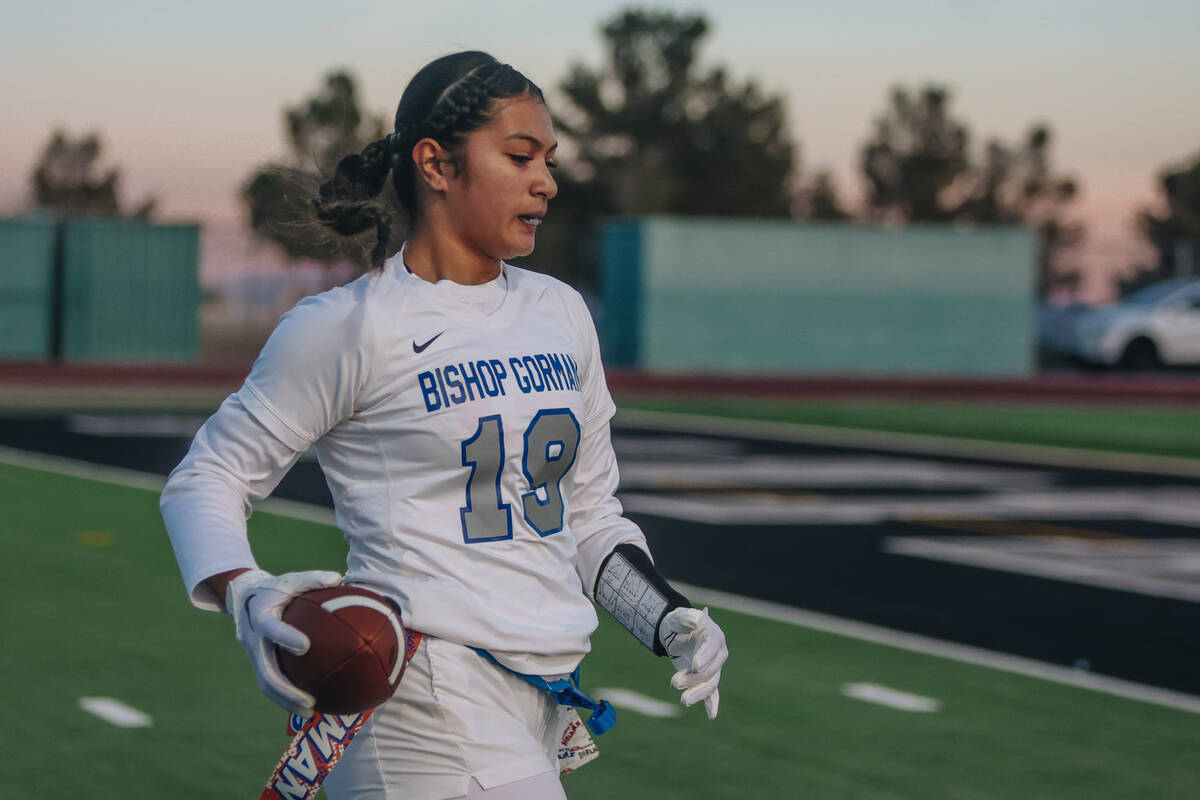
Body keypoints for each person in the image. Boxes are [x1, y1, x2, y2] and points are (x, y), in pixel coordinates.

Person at [160, 50, 727, 800]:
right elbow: (207, 477)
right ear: (436, 164)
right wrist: (246, 592)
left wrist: (669, 618)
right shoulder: (353, 326)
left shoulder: (559, 312)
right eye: (520, 155)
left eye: (549, 160)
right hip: (424, 696)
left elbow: (588, 518)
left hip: (537, 697)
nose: (546, 181)